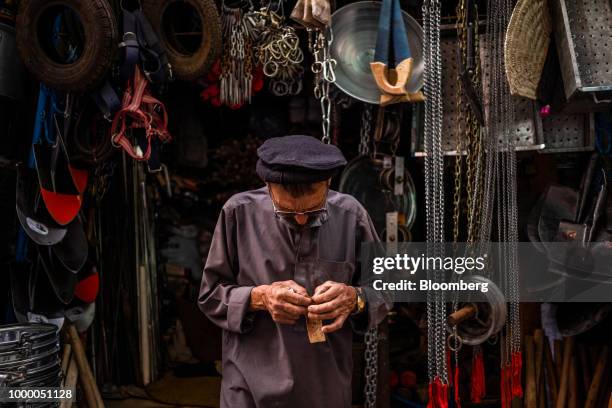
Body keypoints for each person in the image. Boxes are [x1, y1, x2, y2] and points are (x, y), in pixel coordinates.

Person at [198, 135, 388, 407]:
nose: (300, 219)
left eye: (313, 212)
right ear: (268, 186)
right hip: (249, 387)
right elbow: (209, 295)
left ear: (328, 184)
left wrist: (355, 298)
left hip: (325, 386)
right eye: (286, 213)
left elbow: (386, 287)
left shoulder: (352, 215)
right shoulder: (238, 213)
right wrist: (259, 298)